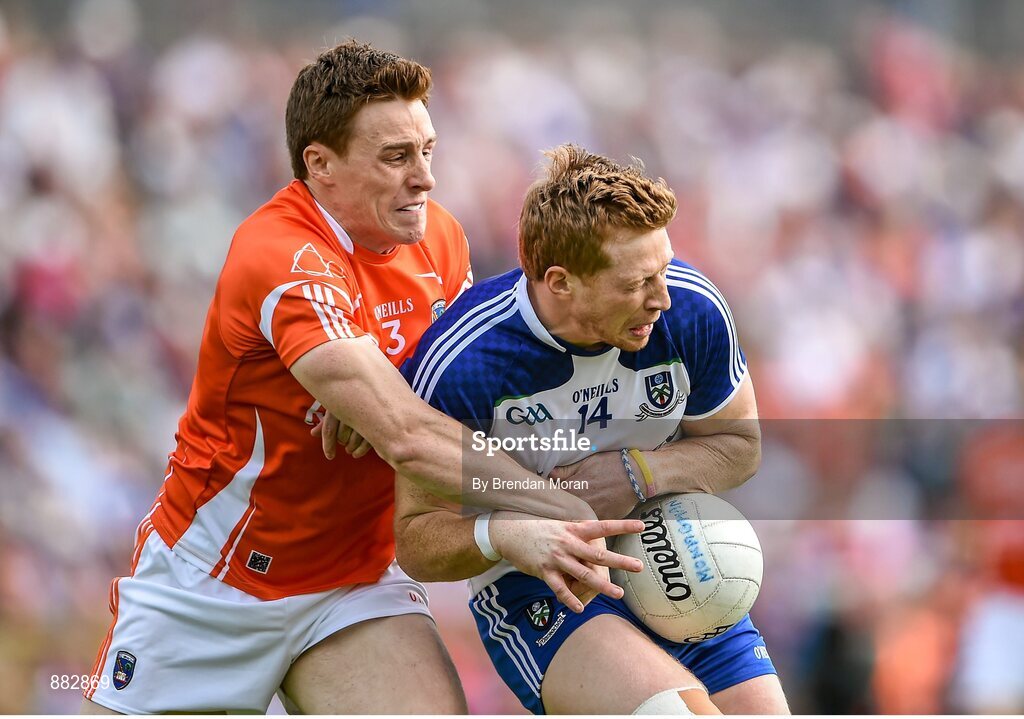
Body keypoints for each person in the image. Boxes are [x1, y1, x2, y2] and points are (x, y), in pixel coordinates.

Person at [81, 43, 639, 715]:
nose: (425, 179)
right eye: (397, 157)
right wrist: (563, 509)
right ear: (320, 165)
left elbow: (459, 400)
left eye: (428, 150)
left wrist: (386, 382)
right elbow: (408, 434)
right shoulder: (279, 254)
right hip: (215, 584)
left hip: (357, 583)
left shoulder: (440, 240)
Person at [393, 145, 791, 714]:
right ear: (561, 283)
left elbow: (739, 447)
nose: (663, 297)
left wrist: (638, 472)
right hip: (540, 586)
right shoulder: (467, 364)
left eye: (664, 268)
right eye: (635, 284)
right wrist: (507, 534)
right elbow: (416, 537)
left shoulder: (691, 311)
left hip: (676, 554)